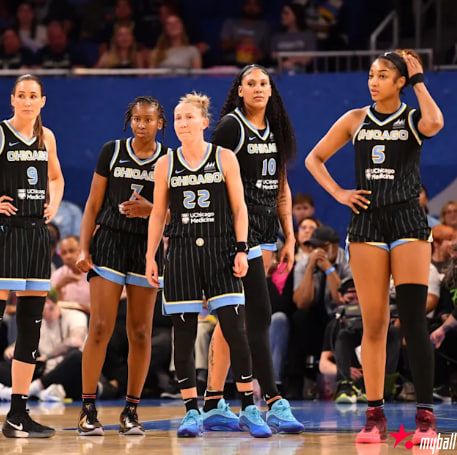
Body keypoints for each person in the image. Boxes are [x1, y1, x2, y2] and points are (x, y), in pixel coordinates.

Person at [305, 50, 444, 444]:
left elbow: (436, 122)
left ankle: (425, 419)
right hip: (367, 224)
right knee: (375, 323)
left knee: (413, 321)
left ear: (400, 82)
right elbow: (315, 159)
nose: (373, 81)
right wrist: (339, 192)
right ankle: (374, 416)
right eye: (371, 75)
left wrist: (419, 81)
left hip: (407, 222)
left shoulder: (412, 118)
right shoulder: (355, 119)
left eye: (383, 75)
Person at [146, 92, 272, 438]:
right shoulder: (165, 164)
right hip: (182, 252)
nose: (183, 123)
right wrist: (150, 256)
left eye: (189, 117)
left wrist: (242, 249)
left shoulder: (224, 157)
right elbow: (157, 214)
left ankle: (249, 407)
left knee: (234, 330)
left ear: (204, 122)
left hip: (221, 250)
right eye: (178, 118)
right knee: (184, 335)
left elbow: (239, 208)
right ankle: (191, 410)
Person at [206, 64, 304, 434]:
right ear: (240, 90)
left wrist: (289, 235)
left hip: (264, 233)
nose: (259, 88)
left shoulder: (275, 130)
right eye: (251, 83)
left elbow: (281, 187)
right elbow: (210, 177)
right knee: (255, 317)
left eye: (264, 83)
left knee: (235, 319)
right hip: (235, 233)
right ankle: (273, 401)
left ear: (271, 90)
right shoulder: (231, 127)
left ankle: (214, 400)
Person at [76, 96, 168, 436]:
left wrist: (151, 211)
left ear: (160, 123)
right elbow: (93, 203)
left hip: (147, 247)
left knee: (140, 332)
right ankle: (88, 409)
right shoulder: (112, 151)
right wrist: (83, 247)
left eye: (148, 119)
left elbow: (176, 212)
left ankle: (131, 410)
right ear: (130, 121)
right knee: (100, 326)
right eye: (137, 119)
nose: (142, 124)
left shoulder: (169, 160)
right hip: (110, 242)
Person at [0, 74, 64, 437]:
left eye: (33, 95)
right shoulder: (1, 133)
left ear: (42, 101)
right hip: (5, 232)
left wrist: (53, 203)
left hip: (37, 234)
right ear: (12, 99)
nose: (27, 101)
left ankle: (17, 414)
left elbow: (55, 177)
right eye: (21, 95)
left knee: (30, 328)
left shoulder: (47, 137)